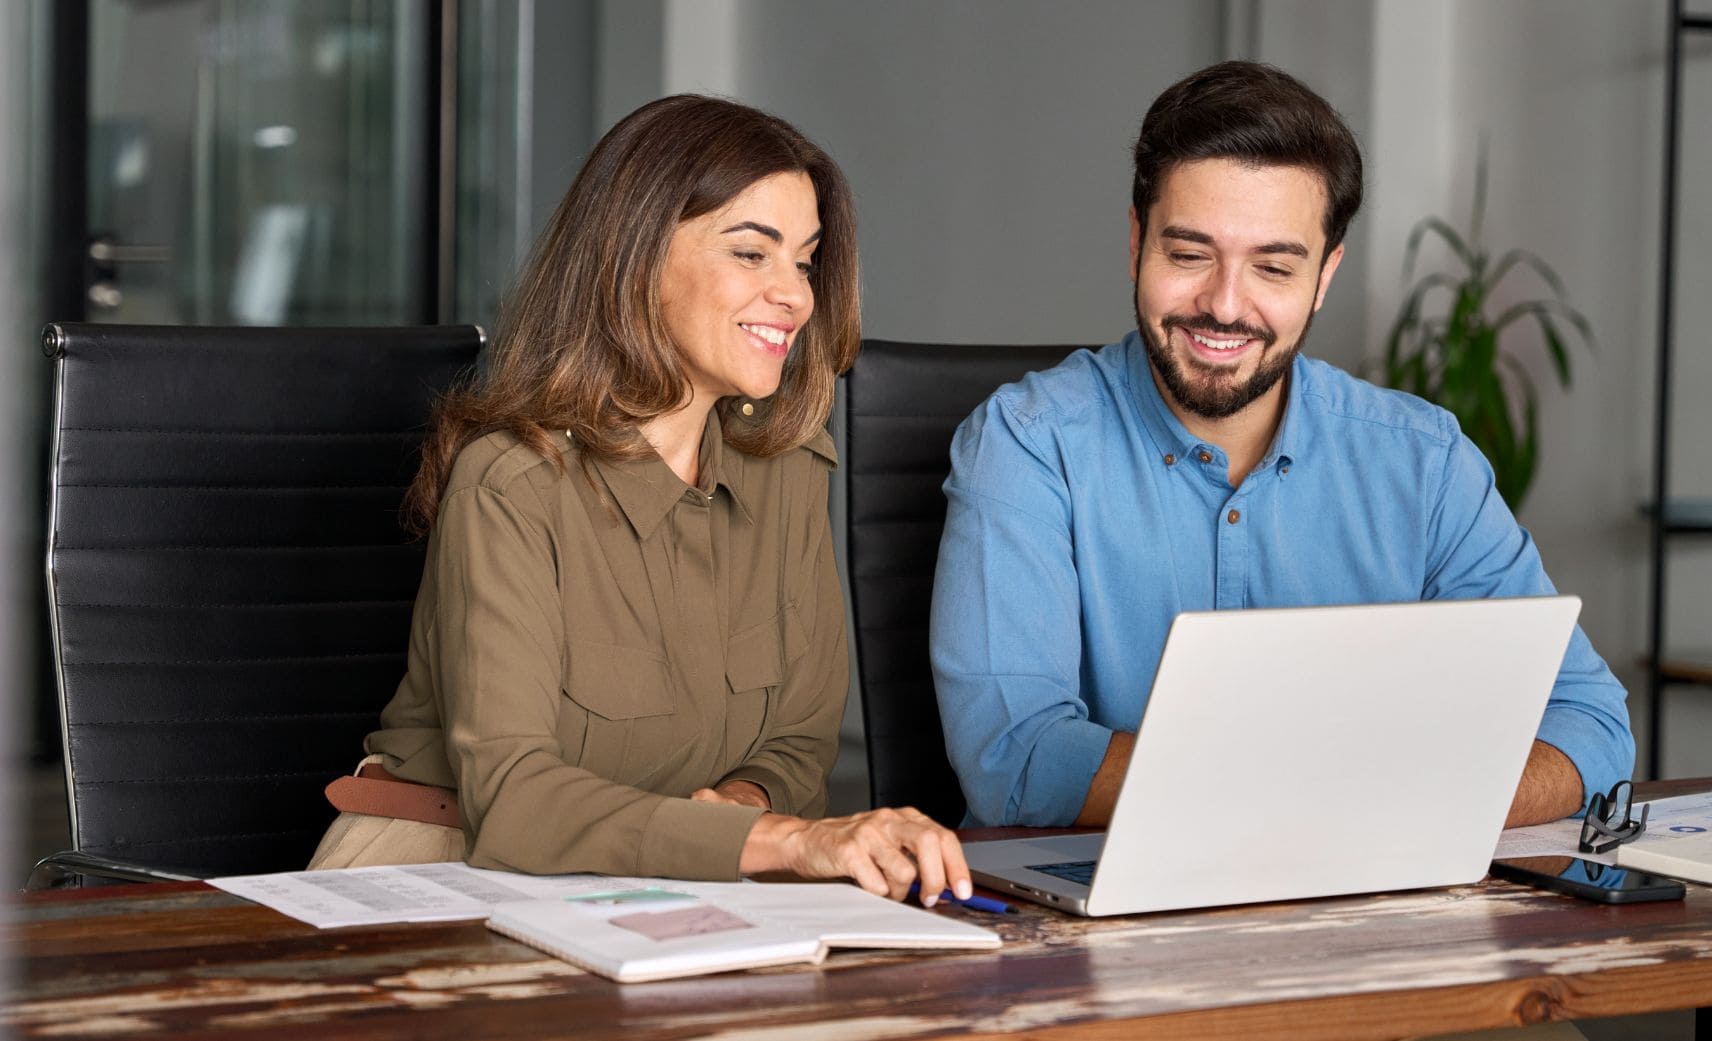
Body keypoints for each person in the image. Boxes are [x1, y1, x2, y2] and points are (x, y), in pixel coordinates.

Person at [930, 61, 1634, 830]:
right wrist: (1341, 795)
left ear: (1326, 273)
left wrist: (1352, 809)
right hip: (1075, 923)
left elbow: (1588, 725)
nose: (1226, 305)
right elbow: (1017, 761)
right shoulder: (1027, 443)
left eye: (1273, 265)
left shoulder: (1424, 463)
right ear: (1136, 244)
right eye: (1190, 254)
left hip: (1371, 920)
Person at [311, 95, 971, 906]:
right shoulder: (511, 481)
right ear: (636, 259)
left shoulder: (791, 467)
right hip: (440, 869)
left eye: (803, 260)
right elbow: (514, 796)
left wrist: (740, 813)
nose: (795, 295)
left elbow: (799, 741)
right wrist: (787, 839)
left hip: (664, 883)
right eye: (751, 253)